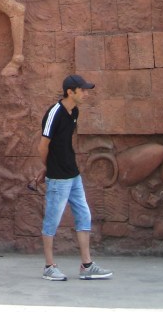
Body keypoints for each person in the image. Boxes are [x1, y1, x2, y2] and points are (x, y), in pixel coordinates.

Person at [33, 74, 112, 281]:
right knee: (52, 220)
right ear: (70, 92)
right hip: (58, 178)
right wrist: (48, 167)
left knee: (84, 216)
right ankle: (49, 267)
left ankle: (86, 265)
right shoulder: (54, 113)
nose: (86, 93)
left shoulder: (74, 111)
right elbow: (43, 146)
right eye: (83, 90)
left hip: (73, 175)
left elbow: (63, 145)